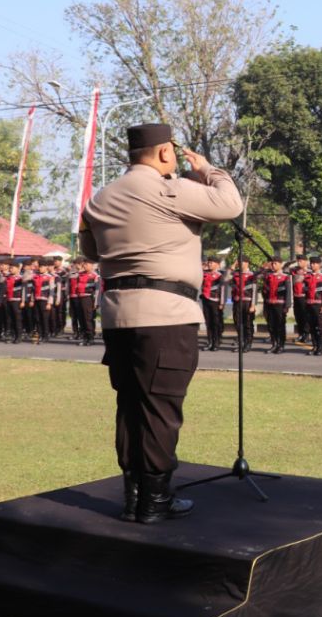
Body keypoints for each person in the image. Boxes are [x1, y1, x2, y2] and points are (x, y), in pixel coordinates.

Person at [79, 123, 243, 524]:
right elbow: (230, 204)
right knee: (160, 409)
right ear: (166, 152)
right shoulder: (170, 189)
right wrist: (208, 170)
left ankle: (133, 496)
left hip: (118, 315)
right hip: (165, 314)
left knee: (131, 405)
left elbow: (89, 248)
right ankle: (155, 502)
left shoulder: (102, 197)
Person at [260, 254, 291, 354]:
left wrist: (287, 306)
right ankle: (274, 344)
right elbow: (264, 291)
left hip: (280, 305)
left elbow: (288, 293)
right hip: (269, 304)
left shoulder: (286, 277)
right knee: (271, 325)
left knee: (280, 325)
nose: (273, 265)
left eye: (275, 263)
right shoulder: (268, 276)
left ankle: (281, 345)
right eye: (272, 263)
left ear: (281, 265)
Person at [303, 256, 322, 356]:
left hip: (318, 305)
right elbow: (305, 291)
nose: (312, 265)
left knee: (319, 326)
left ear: (319, 264)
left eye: (314, 263)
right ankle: (314, 346)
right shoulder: (307, 277)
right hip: (309, 304)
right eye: (311, 263)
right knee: (311, 327)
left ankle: (321, 347)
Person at [228, 257, 257, 353]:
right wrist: (232, 267)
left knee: (248, 324)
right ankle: (241, 343)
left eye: (243, 262)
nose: (240, 263)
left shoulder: (252, 275)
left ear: (247, 263)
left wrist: (253, 305)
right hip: (237, 302)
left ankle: (248, 344)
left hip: (247, 302)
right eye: (239, 262)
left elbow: (254, 291)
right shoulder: (235, 274)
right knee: (238, 324)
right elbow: (225, 279)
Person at [200, 256, 228, 352]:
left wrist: (222, 302)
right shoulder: (205, 274)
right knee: (208, 322)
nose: (209, 264)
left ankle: (216, 342)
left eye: (212, 262)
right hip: (206, 300)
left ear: (217, 264)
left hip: (215, 301)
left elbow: (223, 289)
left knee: (216, 322)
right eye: (209, 262)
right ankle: (210, 342)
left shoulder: (220, 275)